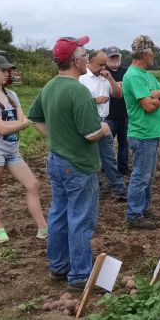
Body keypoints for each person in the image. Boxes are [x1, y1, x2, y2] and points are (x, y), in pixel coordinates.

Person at [27, 35, 110, 289]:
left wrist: (56, 138)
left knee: (59, 215)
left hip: (57, 159)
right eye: (84, 55)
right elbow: (90, 134)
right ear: (75, 61)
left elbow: (35, 118)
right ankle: (80, 275)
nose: (87, 59)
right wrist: (105, 129)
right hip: (78, 165)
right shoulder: (78, 91)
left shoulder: (50, 86)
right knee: (81, 220)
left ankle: (59, 266)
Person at [0, 55, 49, 243]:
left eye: (8, 70)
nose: (7, 74)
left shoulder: (12, 95)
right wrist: (12, 124)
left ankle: (43, 227)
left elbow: (16, 121)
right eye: (2, 70)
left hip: (11, 149)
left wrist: (4, 125)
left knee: (32, 185)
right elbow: (15, 124)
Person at [123, 35, 160, 229]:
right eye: (153, 52)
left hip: (151, 134)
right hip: (142, 134)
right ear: (144, 53)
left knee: (148, 176)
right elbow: (149, 106)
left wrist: (159, 94)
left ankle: (143, 209)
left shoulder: (147, 75)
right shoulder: (134, 75)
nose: (156, 55)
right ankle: (134, 215)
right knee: (141, 176)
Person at [79, 50, 126, 200]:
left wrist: (111, 79)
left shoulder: (105, 77)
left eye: (105, 65)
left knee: (108, 156)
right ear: (90, 61)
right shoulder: (81, 78)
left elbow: (118, 95)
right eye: (100, 64)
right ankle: (95, 187)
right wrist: (94, 101)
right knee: (91, 157)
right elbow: (75, 103)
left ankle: (118, 188)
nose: (103, 68)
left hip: (103, 122)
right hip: (88, 120)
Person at [104, 46, 130, 175]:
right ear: (107, 58)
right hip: (108, 115)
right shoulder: (103, 72)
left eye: (116, 56)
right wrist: (119, 84)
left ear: (120, 57)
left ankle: (123, 167)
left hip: (125, 113)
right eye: (111, 56)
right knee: (107, 144)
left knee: (124, 143)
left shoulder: (127, 71)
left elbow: (128, 87)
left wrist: (117, 84)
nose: (114, 59)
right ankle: (106, 168)